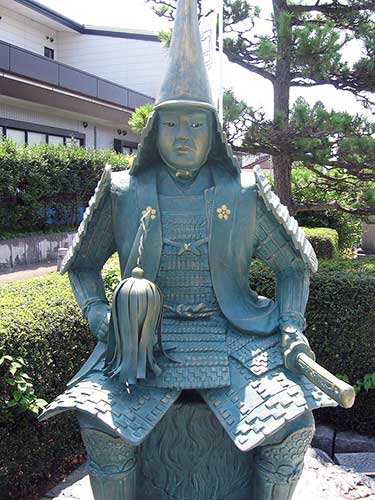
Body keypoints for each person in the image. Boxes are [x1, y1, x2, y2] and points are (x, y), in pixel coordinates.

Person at [40, 1, 336, 499]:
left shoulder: (245, 192)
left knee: (290, 429)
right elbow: (83, 266)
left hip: (236, 334)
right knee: (103, 430)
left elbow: (293, 266)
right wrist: (101, 319)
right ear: (155, 130)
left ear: (213, 132)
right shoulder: (121, 192)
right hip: (144, 342)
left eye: (195, 124)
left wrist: (290, 328)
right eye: (172, 123)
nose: (183, 135)